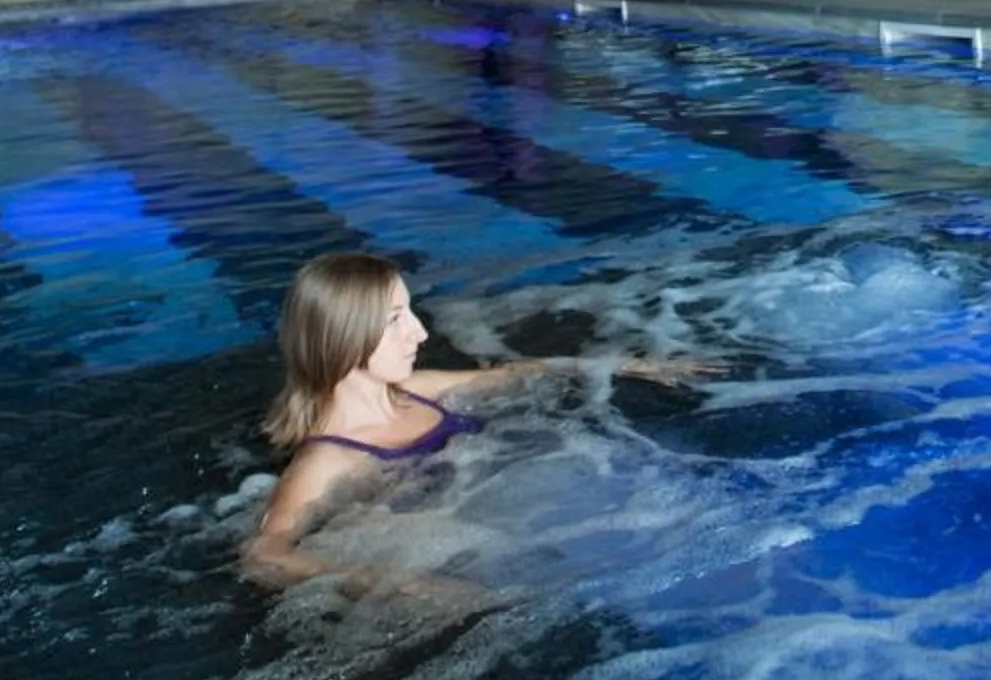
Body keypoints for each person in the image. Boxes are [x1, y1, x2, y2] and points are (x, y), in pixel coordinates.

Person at [242, 250, 709, 587]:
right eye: (395, 319)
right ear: (344, 336)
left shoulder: (416, 388)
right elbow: (265, 557)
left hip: (539, 511)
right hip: (483, 551)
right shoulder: (328, 460)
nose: (419, 332)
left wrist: (627, 366)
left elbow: (513, 374)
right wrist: (398, 587)